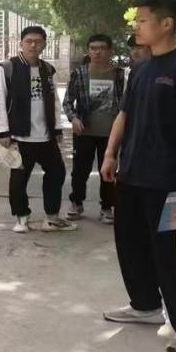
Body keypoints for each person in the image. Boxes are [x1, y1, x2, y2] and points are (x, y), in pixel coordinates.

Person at [101, 0, 176, 352]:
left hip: (170, 180)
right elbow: (124, 114)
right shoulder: (141, 67)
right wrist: (110, 154)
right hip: (132, 174)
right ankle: (145, 305)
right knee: (131, 243)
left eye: (142, 20)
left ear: (167, 23)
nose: (136, 27)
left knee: (172, 251)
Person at [0, 25, 77, 233]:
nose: (33, 45)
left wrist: (57, 128)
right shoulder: (7, 68)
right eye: (29, 41)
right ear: (21, 43)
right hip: (19, 137)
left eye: (38, 42)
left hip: (45, 136)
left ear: (44, 45)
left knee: (57, 173)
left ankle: (52, 217)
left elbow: (54, 102)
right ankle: (22, 217)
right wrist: (3, 132)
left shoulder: (48, 70)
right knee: (19, 180)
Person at [63, 33, 125, 223]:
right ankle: (76, 203)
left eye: (102, 48)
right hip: (84, 132)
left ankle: (107, 207)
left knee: (109, 171)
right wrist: (73, 118)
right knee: (80, 171)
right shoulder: (80, 73)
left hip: (110, 134)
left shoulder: (119, 74)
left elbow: (125, 104)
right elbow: (67, 101)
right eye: (93, 48)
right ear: (88, 51)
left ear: (110, 51)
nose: (97, 52)